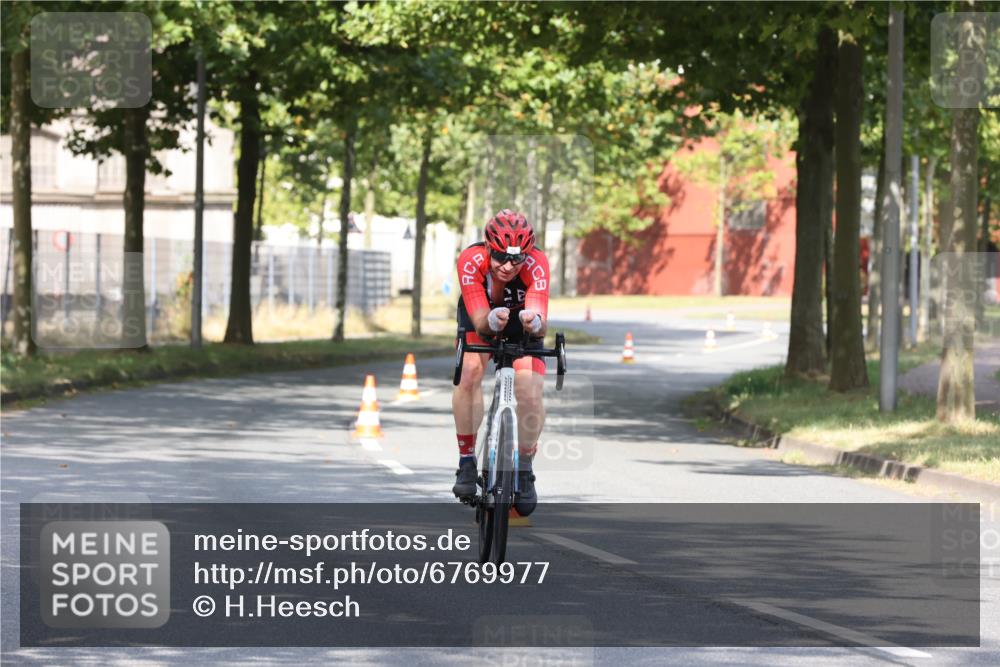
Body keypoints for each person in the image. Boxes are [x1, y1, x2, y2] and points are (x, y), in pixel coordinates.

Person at [451, 209, 549, 516]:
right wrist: (491, 320)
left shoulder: (537, 264)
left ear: (527, 255)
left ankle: (524, 468)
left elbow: (542, 321)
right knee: (469, 372)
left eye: (516, 260)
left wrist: (533, 323)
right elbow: (480, 319)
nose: (507, 266)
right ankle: (467, 462)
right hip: (480, 314)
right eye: (499, 257)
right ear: (487, 247)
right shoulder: (470, 260)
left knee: (530, 391)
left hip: (521, 322)